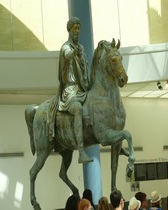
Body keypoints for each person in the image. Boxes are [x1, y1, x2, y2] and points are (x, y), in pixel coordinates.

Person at [52, 16, 93, 164]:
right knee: (77, 109)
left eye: (79, 28)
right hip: (70, 90)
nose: (77, 31)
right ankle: (81, 152)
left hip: (82, 88)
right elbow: (67, 55)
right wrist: (74, 53)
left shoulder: (81, 48)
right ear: (69, 30)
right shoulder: (66, 47)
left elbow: (85, 67)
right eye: (75, 28)